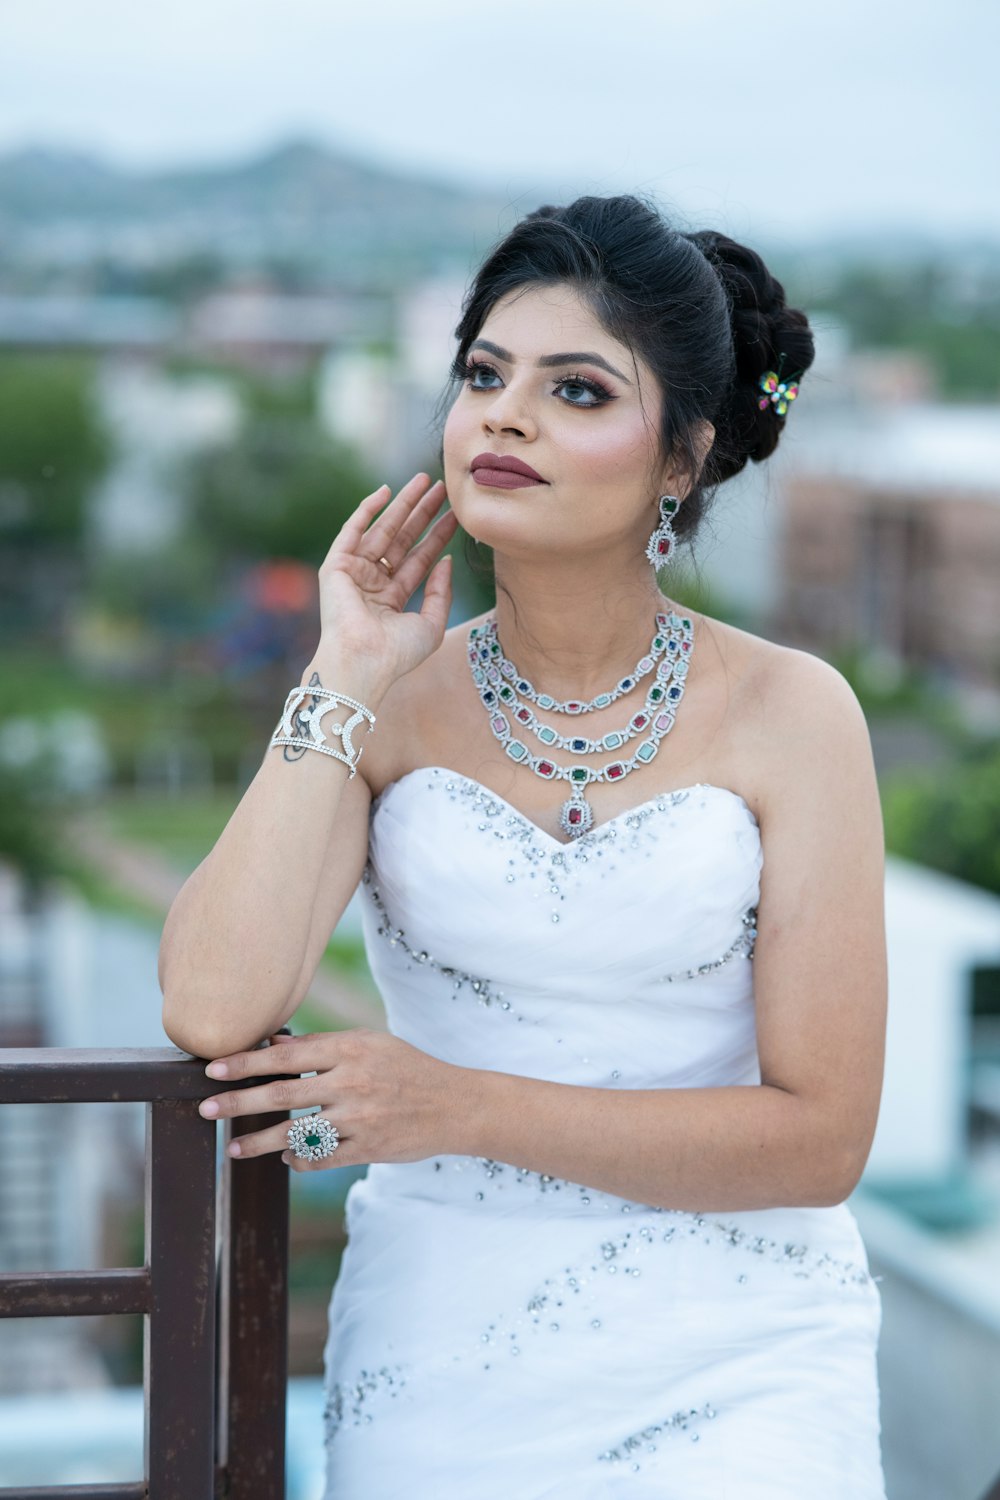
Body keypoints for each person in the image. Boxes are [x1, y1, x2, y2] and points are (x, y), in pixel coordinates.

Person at [159, 194, 888, 1499]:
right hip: (443, 1343)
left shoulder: (795, 715)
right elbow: (212, 1000)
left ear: (682, 459)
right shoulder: (389, 703)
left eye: (579, 389)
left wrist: (456, 1106)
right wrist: (343, 671)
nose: (505, 414)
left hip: (744, 1352)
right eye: (484, 375)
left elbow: (822, 1137)